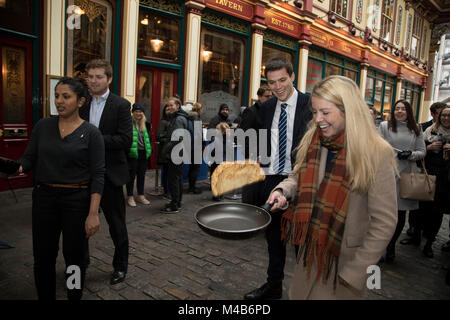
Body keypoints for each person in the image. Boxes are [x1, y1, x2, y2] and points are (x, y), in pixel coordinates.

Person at [266, 75, 398, 299]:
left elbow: (384, 223)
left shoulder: (377, 152)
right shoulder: (315, 139)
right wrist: (283, 191)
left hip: (343, 265)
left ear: (348, 110)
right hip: (310, 253)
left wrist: (357, 272)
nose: (318, 119)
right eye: (315, 112)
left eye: (325, 112)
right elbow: (298, 176)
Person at [18, 77, 105, 300]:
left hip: (77, 200)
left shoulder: (92, 133)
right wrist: (15, 168)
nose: (59, 101)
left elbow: (97, 175)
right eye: (57, 96)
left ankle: (73, 296)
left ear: (80, 101)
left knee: (74, 257)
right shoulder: (43, 126)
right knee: (43, 256)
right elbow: (28, 159)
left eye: (66, 96)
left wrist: (93, 213)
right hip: (44, 199)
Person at [243, 58, 312, 300]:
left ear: (292, 76)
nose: (278, 86)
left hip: (300, 181)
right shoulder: (267, 106)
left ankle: (305, 291)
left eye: (282, 80)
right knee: (274, 240)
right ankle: (273, 287)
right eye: (272, 82)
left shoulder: (310, 104)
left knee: (299, 241)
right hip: (271, 180)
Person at [79, 59, 132, 285]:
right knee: (78, 223)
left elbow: (125, 140)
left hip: (110, 175)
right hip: (83, 174)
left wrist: (94, 139)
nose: (93, 80)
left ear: (109, 79)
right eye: (90, 76)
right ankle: (80, 264)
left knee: (116, 225)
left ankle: (120, 267)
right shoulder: (80, 103)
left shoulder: (120, 105)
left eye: (98, 76)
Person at [378, 99, 426, 262]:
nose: (399, 111)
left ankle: (391, 246)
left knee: (399, 215)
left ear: (408, 112)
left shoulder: (416, 129)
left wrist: (410, 154)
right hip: (386, 173)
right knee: (382, 214)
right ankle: (379, 247)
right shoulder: (385, 126)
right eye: (397, 108)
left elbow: (422, 151)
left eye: (403, 109)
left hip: (405, 176)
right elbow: (377, 145)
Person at [401, 106, 450, 257]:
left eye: (449, 116)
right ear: (439, 116)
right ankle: (415, 236)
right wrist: (429, 147)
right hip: (427, 175)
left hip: (444, 180)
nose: (446, 118)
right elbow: (419, 151)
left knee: (436, 213)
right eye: (444, 115)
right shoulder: (429, 131)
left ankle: (429, 243)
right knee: (419, 209)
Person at [240, 86, 272, 205]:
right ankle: (248, 207)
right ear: (259, 97)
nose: (270, 98)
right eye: (267, 96)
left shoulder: (270, 111)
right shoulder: (251, 111)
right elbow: (243, 134)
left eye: (271, 96)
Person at [159, 96, 190, 213]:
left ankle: (174, 204)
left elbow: (178, 137)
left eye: (172, 105)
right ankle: (177, 202)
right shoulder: (177, 118)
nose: (169, 107)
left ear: (178, 106)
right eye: (168, 105)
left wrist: (165, 150)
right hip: (178, 152)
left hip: (175, 153)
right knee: (177, 178)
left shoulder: (178, 119)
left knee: (174, 179)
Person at [126, 102, 152, 207]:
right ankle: (130, 196)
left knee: (141, 175)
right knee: (131, 176)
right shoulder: (128, 123)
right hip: (132, 153)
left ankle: (141, 195)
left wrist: (150, 150)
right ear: (133, 112)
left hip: (143, 153)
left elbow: (149, 138)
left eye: (140, 111)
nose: (138, 113)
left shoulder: (146, 124)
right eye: (136, 111)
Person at [187, 102, 204, 194]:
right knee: (195, 167)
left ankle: (191, 186)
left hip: (190, 146)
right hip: (196, 146)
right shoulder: (196, 119)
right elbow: (198, 135)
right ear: (199, 109)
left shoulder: (189, 117)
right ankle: (192, 187)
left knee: (191, 167)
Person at [156, 104, 171, 199]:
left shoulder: (173, 121)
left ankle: (168, 191)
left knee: (169, 172)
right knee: (166, 172)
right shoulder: (163, 122)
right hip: (165, 151)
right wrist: (170, 138)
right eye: (167, 110)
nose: (169, 111)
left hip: (172, 151)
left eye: (170, 109)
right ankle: (166, 191)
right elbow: (159, 136)